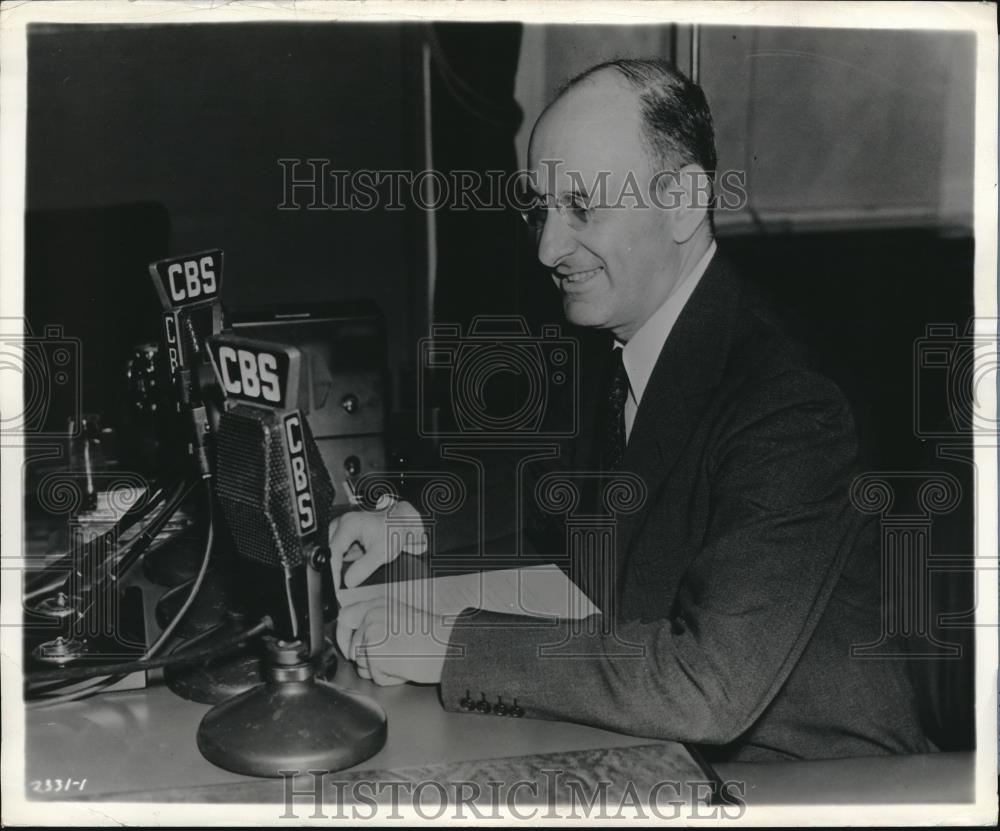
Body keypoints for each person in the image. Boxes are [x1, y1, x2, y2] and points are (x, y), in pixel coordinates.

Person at [329, 58, 932, 761]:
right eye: (540, 208)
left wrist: (448, 639)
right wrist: (414, 519)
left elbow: (705, 683)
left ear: (681, 201)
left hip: (805, 780)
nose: (549, 246)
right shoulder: (631, 338)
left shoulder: (791, 402)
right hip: (669, 748)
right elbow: (550, 485)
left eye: (583, 205)